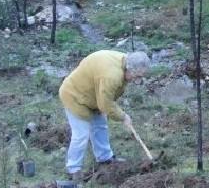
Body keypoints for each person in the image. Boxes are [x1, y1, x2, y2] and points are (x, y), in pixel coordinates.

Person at [58, 50, 151, 181]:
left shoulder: (125, 61)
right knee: (81, 134)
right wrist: (123, 116)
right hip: (75, 96)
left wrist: (116, 112)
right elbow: (105, 105)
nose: (137, 80)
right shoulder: (111, 76)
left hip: (94, 95)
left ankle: (105, 158)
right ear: (129, 69)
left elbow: (105, 101)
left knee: (100, 126)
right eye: (137, 77)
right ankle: (73, 169)